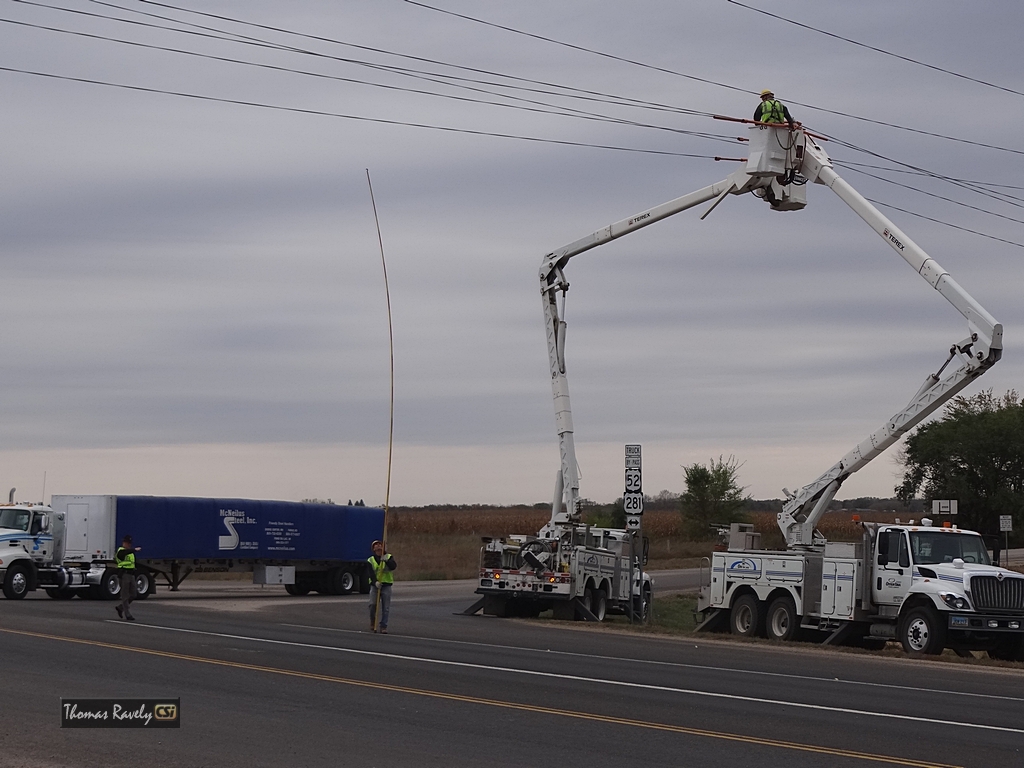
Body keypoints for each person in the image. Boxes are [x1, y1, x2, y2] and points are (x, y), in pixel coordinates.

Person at [367, 540, 396, 633]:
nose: (378, 546)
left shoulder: (388, 557)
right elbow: (371, 573)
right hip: (375, 586)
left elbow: (393, 567)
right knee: (372, 605)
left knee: (386, 607)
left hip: (386, 585)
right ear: (373, 549)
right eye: (376, 546)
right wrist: (375, 582)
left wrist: (386, 560)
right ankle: (373, 622)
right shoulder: (370, 560)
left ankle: (383, 626)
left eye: (380, 545)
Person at [115, 534, 140, 621]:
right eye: (127, 543)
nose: (128, 544)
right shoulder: (121, 551)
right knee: (125, 595)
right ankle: (127, 614)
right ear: (124, 543)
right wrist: (134, 550)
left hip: (131, 574)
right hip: (124, 574)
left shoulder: (130, 552)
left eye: (129, 543)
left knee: (133, 594)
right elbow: (122, 555)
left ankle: (120, 607)